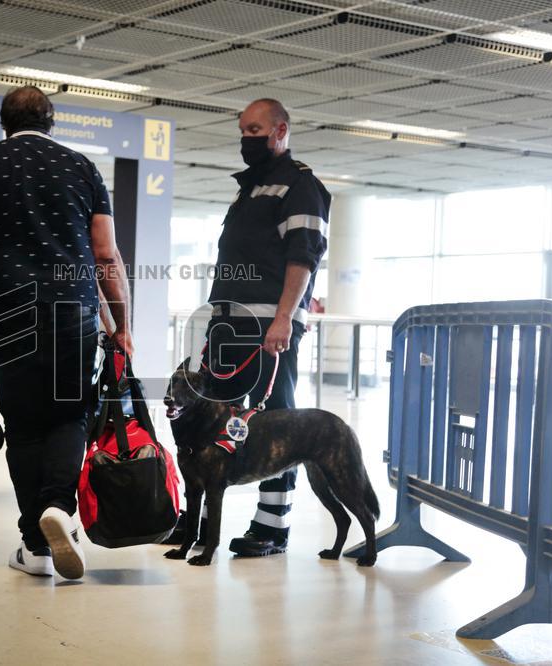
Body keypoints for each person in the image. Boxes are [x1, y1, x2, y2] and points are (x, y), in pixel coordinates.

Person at [0, 85, 132, 580]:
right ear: (52, 122)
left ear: (4, 122)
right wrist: (122, 324)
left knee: (24, 426)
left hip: (9, 310)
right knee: (70, 417)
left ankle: (36, 547)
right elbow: (106, 253)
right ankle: (57, 509)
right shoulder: (82, 168)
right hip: (73, 311)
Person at [200, 98, 330, 558]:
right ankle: (202, 515)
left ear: (280, 131)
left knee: (276, 424)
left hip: (266, 328)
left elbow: (303, 257)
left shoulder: (301, 186)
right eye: (242, 130)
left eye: (255, 129)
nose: (246, 139)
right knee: (215, 416)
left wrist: (283, 318)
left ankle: (272, 526)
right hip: (229, 325)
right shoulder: (251, 188)